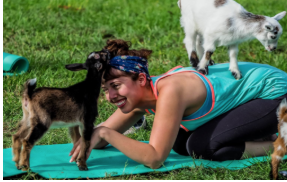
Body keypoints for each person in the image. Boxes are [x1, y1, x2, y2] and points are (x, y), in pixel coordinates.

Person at [69, 39, 287, 168]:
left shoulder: (170, 91)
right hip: (254, 94)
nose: (111, 96)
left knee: (202, 147)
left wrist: (105, 133)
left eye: (116, 85)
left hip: (276, 93)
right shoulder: (140, 96)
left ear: (142, 79)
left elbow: (154, 158)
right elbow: (97, 141)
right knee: (180, 143)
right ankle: (264, 134)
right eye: (106, 90)